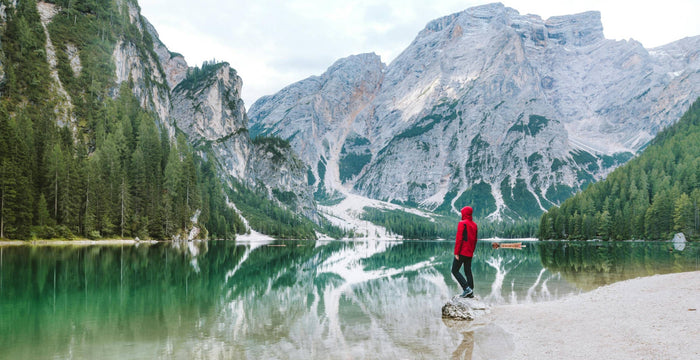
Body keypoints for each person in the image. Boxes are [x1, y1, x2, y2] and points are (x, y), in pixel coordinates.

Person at [452, 206, 478, 298]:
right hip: (470, 252)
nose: (461, 214)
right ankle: (471, 291)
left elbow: (459, 239)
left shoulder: (462, 223)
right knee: (468, 271)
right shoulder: (474, 225)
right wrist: (472, 251)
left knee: (454, 270)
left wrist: (456, 252)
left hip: (462, 252)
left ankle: (467, 289)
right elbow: (475, 240)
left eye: (462, 212)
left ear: (464, 213)